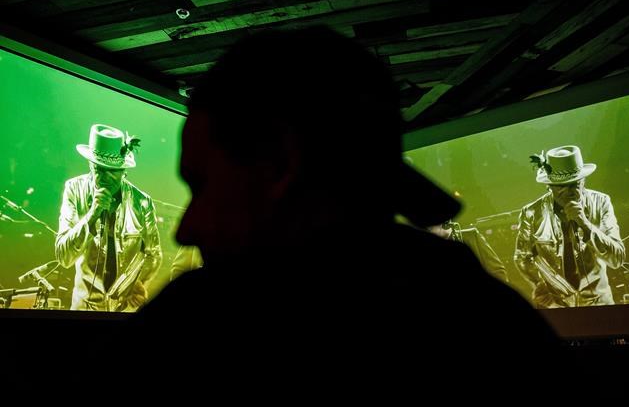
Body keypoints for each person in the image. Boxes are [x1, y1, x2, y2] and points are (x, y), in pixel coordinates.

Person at [109, 27, 559, 395]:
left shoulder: (195, 327)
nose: (187, 228)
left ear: (282, 163)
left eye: (203, 185)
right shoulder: (495, 324)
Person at [55, 124, 162, 311]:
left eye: (112, 170)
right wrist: (91, 215)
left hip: (124, 310)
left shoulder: (142, 202)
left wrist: (138, 282)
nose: (105, 177)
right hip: (83, 309)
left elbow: (154, 254)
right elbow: (64, 257)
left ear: (124, 171)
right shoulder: (74, 189)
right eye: (99, 170)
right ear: (90, 165)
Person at [514, 145, 625, 308]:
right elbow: (522, 257)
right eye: (562, 186)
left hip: (600, 306)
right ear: (549, 186)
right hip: (555, 308)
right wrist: (539, 284)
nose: (570, 192)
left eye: (575, 184)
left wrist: (586, 224)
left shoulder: (601, 202)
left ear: (584, 180)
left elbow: (617, 259)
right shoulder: (531, 213)